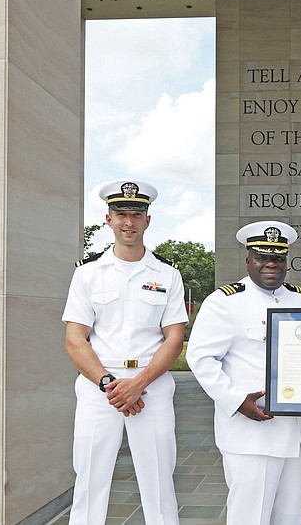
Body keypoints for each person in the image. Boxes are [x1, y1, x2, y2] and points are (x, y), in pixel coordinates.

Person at [62, 179, 188, 524]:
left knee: (160, 483)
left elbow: (174, 338)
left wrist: (138, 383)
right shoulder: (88, 274)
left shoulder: (168, 274)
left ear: (148, 220)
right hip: (98, 388)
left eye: (136, 214)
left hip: (152, 386)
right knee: (89, 482)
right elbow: (75, 339)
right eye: (121, 214)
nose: (128, 222)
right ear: (108, 219)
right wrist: (110, 384)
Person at [186, 221, 301, 525]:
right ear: (248, 260)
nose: (271, 264)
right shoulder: (226, 301)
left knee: (290, 517)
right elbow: (201, 358)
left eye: (278, 258)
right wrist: (236, 401)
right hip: (250, 435)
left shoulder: (300, 299)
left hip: (295, 433)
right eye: (262, 257)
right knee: (250, 518)